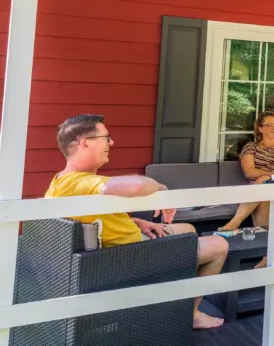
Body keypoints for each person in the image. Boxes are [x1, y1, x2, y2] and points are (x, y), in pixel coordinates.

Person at [45, 114, 228, 330]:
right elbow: (136, 186)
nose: (111, 143)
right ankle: (191, 314)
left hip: (127, 244)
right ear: (86, 143)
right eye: (106, 137)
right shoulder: (82, 182)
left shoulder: (60, 181)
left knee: (188, 228)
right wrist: (160, 187)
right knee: (219, 245)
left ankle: (174, 291)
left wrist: (137, 222)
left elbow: (95, 219)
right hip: (132, 259)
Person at [219, 111, 274, 267]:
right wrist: (272, 174)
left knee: (263, 182)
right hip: (263, 188)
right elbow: (249, 172)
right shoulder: (251, 147)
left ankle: (235, 222)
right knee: (264, 188)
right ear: (260, 128)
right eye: (269, 125)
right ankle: (267, 256)